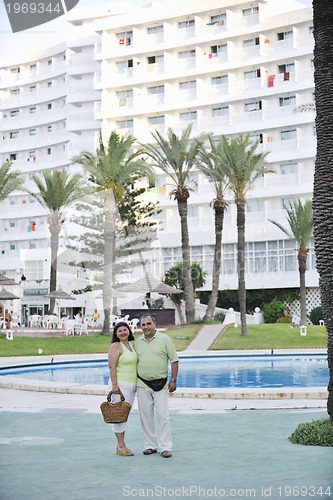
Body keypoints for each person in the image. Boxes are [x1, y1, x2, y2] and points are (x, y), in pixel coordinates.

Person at [134, 313, 179, 459]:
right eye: (143, 325)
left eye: (148, 324)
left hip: (161, 383)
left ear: (154, 324)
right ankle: (150, 446)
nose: (146, 327)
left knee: (163, 416)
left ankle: (165, 447)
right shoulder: (137, 342)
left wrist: (173, 380)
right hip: (142, 383)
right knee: (145, 417)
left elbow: (174, 360)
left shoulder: (164, 339)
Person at [108, 321, 138, 456]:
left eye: (125, 330)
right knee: (118, 415)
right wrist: (115, 386)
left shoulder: (131, 345)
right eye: (119, 331)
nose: (123, 332)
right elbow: (112, 366)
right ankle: (121, 446)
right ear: (116, 334)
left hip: (131, 385)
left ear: (129, 331)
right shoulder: (116, 346)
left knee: (124, 415)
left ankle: (121, 445)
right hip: (120, 385)